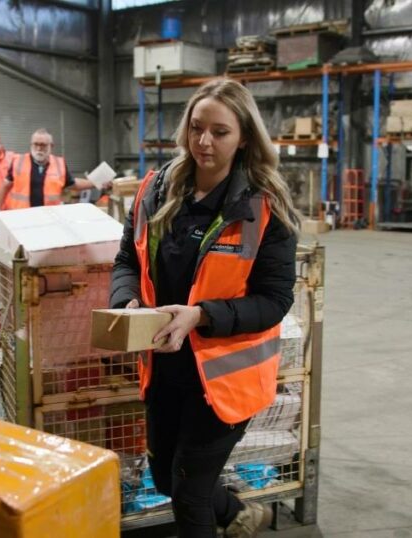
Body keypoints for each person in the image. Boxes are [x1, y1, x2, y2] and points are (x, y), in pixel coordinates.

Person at [110, 79, 300, 537]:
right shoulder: (156, 190)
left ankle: (224, 515)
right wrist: (127, 301)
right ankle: (239, 515)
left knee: (189, 492)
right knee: (164, 478)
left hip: (222, 378)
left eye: (220, 132)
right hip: (164, 367)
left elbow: (274, 302)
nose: (203, 142)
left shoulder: (264, 208)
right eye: (196, 128)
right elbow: (126, 261)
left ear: (245, 138)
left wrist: (202, 315)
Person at [0, 128, 105, 210]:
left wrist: (96, 182)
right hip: (22, 216)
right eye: (35, 144)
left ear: (51, 146)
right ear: (31, 145)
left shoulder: (59, 163)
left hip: (50, 217)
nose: (38, 148)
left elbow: (73, 184)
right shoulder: (18, 161)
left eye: (43, 145)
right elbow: (5, 186)